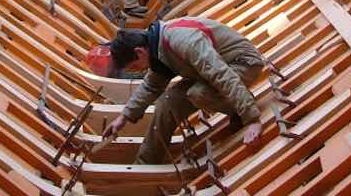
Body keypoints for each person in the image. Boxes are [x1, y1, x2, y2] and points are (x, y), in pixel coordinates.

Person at [102, 17, 264, 164]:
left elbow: (221, 75)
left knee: (198, 93)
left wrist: (252, 120)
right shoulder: (157, 47)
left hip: (242, 63)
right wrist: (124, 117)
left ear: (139, 52)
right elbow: (151, 86)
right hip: (212, 71)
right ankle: (144, 164)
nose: (136, 71)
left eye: (134, 67)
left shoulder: (183, 41)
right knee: (167, 102)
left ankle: (241, 109)